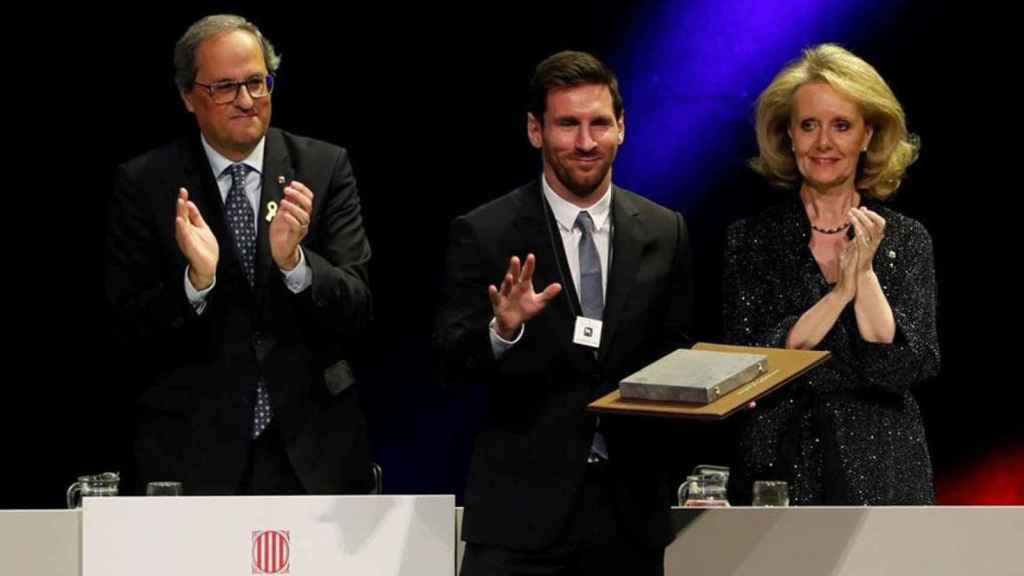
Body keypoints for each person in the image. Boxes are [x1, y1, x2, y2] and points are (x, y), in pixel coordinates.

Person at [434, 50, 693, 575]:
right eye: (567, 124)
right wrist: (502, 329)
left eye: (600, 123)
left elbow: (677, 357)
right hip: (520, 519)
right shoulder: (485, 232)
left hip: (629, 517)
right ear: (535, 130)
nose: (585, 141)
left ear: (621, 128)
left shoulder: (666, 231)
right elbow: (448, 362)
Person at [106, 14, 374, 495]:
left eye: (256, 82)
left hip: (314, 453)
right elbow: (125, 331)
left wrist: (297, 266)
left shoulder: (323, 167)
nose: (246, 100)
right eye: (225, 87)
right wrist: (197, 283)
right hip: (193, 451)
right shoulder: (147, 183)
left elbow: (358, 309)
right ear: (189, 96)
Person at [723, 43, 939, 505]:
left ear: (867, 135)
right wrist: (839, 293)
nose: (824, 143)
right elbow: (754, 362)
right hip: (777, 469)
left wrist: (864, 275)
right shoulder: (751, 240)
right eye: (809, 126)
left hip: (884, 468)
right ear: (788, 136)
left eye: (841, 126)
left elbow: (902, 365)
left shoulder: (908, 239)